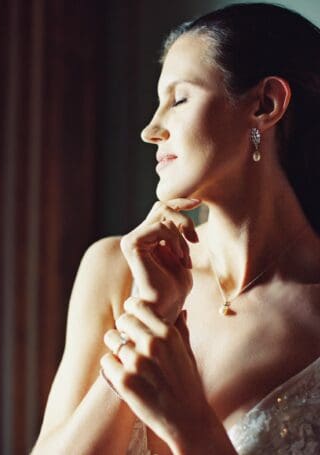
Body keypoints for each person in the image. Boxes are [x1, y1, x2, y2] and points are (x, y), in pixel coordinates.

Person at [33, 3, 320, 454]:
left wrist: (191, 425)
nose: (151, 129)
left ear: (266, 104)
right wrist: (147, 317)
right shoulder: (115, 269)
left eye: (179, 98)